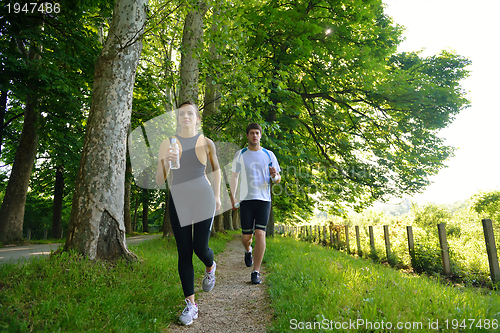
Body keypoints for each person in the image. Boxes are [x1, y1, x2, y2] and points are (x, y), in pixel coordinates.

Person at [155, 101, 221, 326]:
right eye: (181, 114)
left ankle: (210, 267)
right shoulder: (168, 143)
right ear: (178, 118)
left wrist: (219, 195)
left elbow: (216, 170)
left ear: (197, 118)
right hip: (178, 198)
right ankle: (191, 305)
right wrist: (166, 159)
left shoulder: (206, 142)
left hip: (203, 197)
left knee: (200, 248)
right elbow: (159, 179)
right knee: (184, 252)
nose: (185, 117)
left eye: (190, 114)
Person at [230, 123, 281, 284]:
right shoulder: (240, 154)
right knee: (246, 237)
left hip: (264, 200)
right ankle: (248, 250)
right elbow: (234, 177)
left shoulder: (269, 154)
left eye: (257, 133)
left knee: (260, 234)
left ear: (260, 135)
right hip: (246, 200)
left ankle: (256, 272)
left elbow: (277, 178)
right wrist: (233, 197)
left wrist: (274, 176)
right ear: (247, 135)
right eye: (251, 133)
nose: (254, 135)